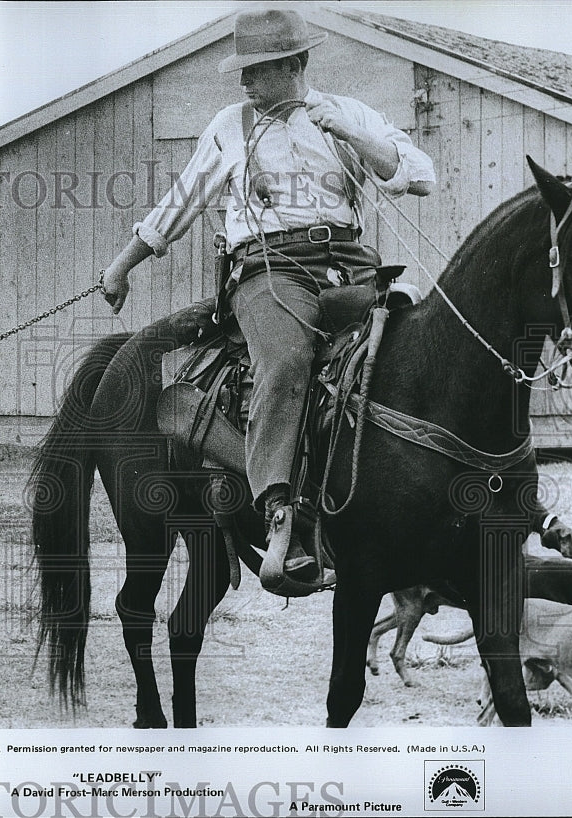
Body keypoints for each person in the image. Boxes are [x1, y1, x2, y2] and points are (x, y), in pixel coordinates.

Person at [101, 9, 435, 581]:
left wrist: (350, 133)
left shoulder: (347, 113)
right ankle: (280, 510)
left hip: (350, 265)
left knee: (418, 342)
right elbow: (181, 203)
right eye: (244, 72)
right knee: (284, 357)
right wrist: (121, 265)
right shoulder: (231, 126)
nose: (244, 82)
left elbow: (420, 175)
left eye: (255, 70)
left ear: (293, 65)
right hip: (268, 271)